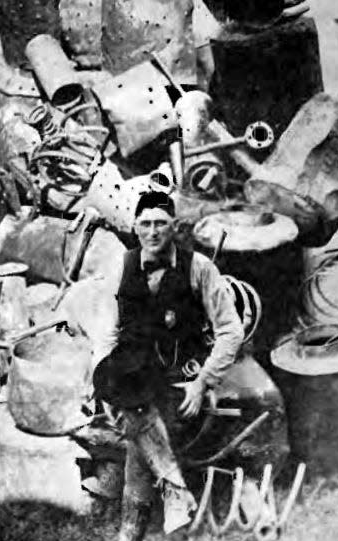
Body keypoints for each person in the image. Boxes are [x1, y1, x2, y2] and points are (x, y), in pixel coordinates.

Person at [93, 191, 244, 541]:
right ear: (134, 227)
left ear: (175, 226)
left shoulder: (200, 269)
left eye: (161, 222)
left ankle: (131, 528)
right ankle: (175, 495)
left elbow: (230, 330)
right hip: (131, 374)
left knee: (137, 432)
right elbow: (107, 332)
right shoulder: (121, 266)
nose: (153, 231)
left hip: (179, 378)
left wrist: (203, 382)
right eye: (145, 223)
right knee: (130, 394)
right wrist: (102, 386)